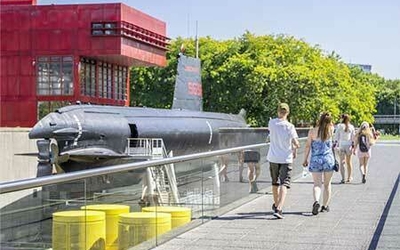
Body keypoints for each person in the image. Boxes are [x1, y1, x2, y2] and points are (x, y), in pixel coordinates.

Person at [267, 103, 299, 219]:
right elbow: (296, 143)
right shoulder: (290, 126)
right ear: (288, 112)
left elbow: (270, 133)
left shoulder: (271, 123)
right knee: (284, 183)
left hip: (273, 157)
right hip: (286, 158)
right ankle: (279, 209)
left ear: (278, 111)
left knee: (274, 182)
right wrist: (294, 148)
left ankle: (276, 205)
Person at [302, 112, 335, 215]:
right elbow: (331, 125)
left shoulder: (312, 131)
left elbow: (307, 146)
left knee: (317, 184)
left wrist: (305, 159)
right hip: (328, 159)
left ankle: (316, 201)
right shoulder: (330, 130)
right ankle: (325, 206)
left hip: (316, 160)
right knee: (327, 184)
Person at [334, 114, 356, 183]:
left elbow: (336, 136)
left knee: (342, 162)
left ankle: (343, 178)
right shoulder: (351, 127)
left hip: (341, 145)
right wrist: (353, 146)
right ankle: (349, 177)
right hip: (349, 146)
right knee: (349, 162)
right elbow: (353, 138)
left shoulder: (339, 126)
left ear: (342, 119)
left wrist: (335, 145)